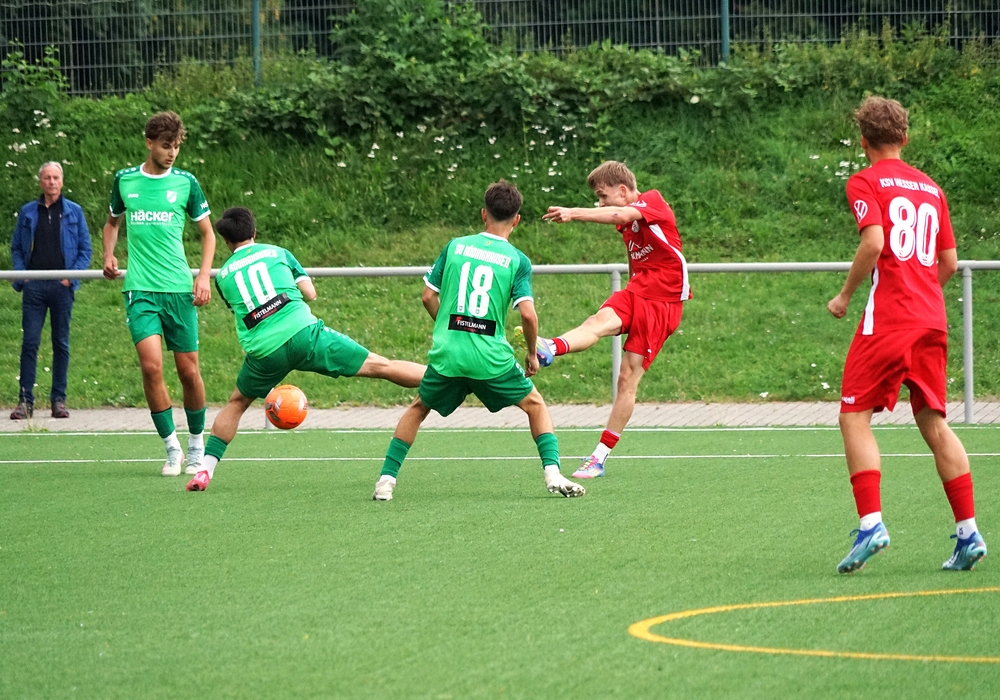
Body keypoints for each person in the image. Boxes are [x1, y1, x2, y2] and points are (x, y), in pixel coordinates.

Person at [828, 96, 987, 573]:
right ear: (905, 138)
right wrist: (921, 293)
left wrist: (844, 295)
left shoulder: (865, 180)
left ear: (863, 142)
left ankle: (871, 524)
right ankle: (969, 533)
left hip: (890, 319)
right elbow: (949, 263)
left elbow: (874, 241)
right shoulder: (932, 188)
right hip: (931, 319)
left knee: (853, 416)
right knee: (935, 423)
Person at [186, 206, 426, 492]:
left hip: (265, 353)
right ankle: (444, 379)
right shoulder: (278, 253)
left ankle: (204, 471)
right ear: (254, 232)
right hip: (305, 334)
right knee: (380, 365)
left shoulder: (224, 277)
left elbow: (241, 310)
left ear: (226, 241)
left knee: (236, 403)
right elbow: (310, 293)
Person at [372, 180, 585, 501]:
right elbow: (528, 315)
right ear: (517, 220)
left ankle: (386, 482)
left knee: (418, 408)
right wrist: (531, 353)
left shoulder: (455, 247)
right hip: (491, 359)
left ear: (484, 214)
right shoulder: (517, 260)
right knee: (535, 405)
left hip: (450, 354)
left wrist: (447, 327)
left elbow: (428, 296)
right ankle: (553, 474)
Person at [529, 160, 689, 478]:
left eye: (603, 196)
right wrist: (630, 289)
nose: (600, 203)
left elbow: (621, 214)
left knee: (627, 378)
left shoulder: (652, 201)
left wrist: (574, 213)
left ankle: (599, 457)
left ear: (623, 190)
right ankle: (551, 347)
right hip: (637, 291)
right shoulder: (627, 224)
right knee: (596, 322)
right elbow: (632, 255)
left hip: (664, 300)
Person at [102, 111, 215, 477]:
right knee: (151, 367)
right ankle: (172, 448)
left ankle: (196, 444)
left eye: (176, 147)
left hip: (179, 290)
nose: (172, 153)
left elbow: (208, 233)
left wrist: (202, 276)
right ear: (149, 142)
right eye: (166, 146)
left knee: (188, 371)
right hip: (140, 289)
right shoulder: (125, 180)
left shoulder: (186, 183)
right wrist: (108, 254)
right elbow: (111, 223)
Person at [10, 162, 92, 419]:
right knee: (30, 342)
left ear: (62, 181)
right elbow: (16, 248)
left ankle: (58, 400)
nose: (52, 182)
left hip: (61, 287)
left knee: (61, 343)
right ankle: (25, 401)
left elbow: (85, 250)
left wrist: (70, 278)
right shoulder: (28, 212)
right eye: (47, 178)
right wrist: (23, 276)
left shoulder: (74, 212)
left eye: (56, 177)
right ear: (41, 181)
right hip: (34, 286)